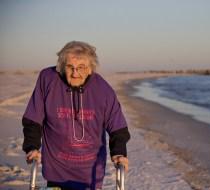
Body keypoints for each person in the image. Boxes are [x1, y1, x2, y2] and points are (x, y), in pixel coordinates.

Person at [22, 41, 130, 190]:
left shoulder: (103, 90)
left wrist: (119, 152)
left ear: (91, 68)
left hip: (90, 174)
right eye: (70, 67)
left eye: (81, 68)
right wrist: (31, 146)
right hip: (56, 171)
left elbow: (117, 126)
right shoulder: (48, 79)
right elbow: (33, 118)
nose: (75, 73)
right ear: (62, 66)